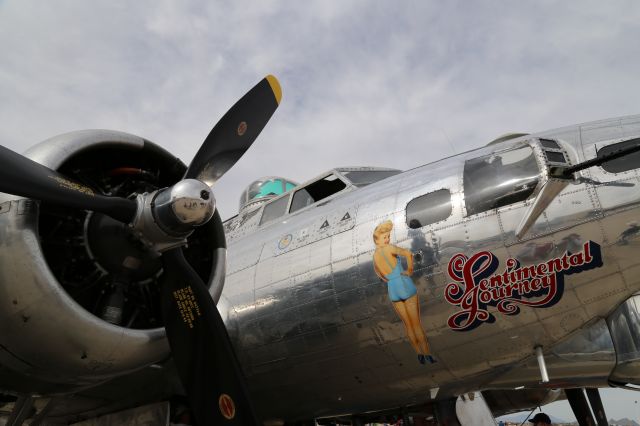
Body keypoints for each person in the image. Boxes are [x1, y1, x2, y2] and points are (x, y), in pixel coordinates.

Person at [372, 220, 435, 364]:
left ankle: (419, 354)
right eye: (385, 237)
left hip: (393, 289)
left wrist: (389, 279)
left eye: (388, 236)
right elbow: (407, 253)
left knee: (408, 326)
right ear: (377, 239)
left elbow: (379, 274)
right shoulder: (389, 249)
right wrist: (410, 270)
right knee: (416, 324)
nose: (387, 239)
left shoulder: (375, 256)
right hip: (404, 284)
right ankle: (427, 355)